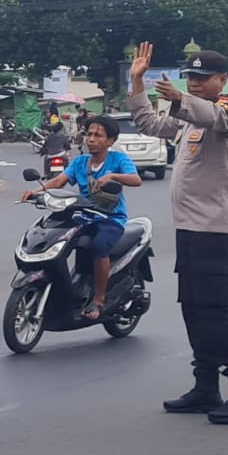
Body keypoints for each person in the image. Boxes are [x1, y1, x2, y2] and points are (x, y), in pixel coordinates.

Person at [129, 42, 228, 424]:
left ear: (223, 80)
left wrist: (179, 98)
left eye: (203, 78)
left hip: (214, 230)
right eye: (191, 77)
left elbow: (210, 115)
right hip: (189, 229)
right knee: (192, 309)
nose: (195, 83)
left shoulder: (227, 110)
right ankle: (205, 386)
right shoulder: (187, 117)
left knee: (214, 311)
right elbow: (149, 124)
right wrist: (137, 82)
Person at [21, 114, 141, 321]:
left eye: (98, 135)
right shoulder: (79, 162)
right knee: (59, 239)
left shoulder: (118, 160)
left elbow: (136, 180)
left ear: (110, 141)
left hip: (110, 219)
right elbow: (59, 181)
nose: (92, 139)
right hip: (84, 217)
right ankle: (69, 288)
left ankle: (99, 299)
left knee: (99, 246)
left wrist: (113, 176)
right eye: (89, 134)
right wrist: (36, 191)